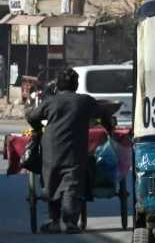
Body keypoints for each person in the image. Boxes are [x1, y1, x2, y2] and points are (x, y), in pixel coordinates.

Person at [25, 68, 115, 233]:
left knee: (52, 181)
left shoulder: (50, 101)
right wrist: (109, 128)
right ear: (76, 85)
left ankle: (54, 220)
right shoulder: (85, 101)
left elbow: (31, 117)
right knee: (71, 183)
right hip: (74, 151)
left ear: (58, 85)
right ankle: (68, 222)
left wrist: (38, 130)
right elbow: (104, 113)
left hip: (50, 150)